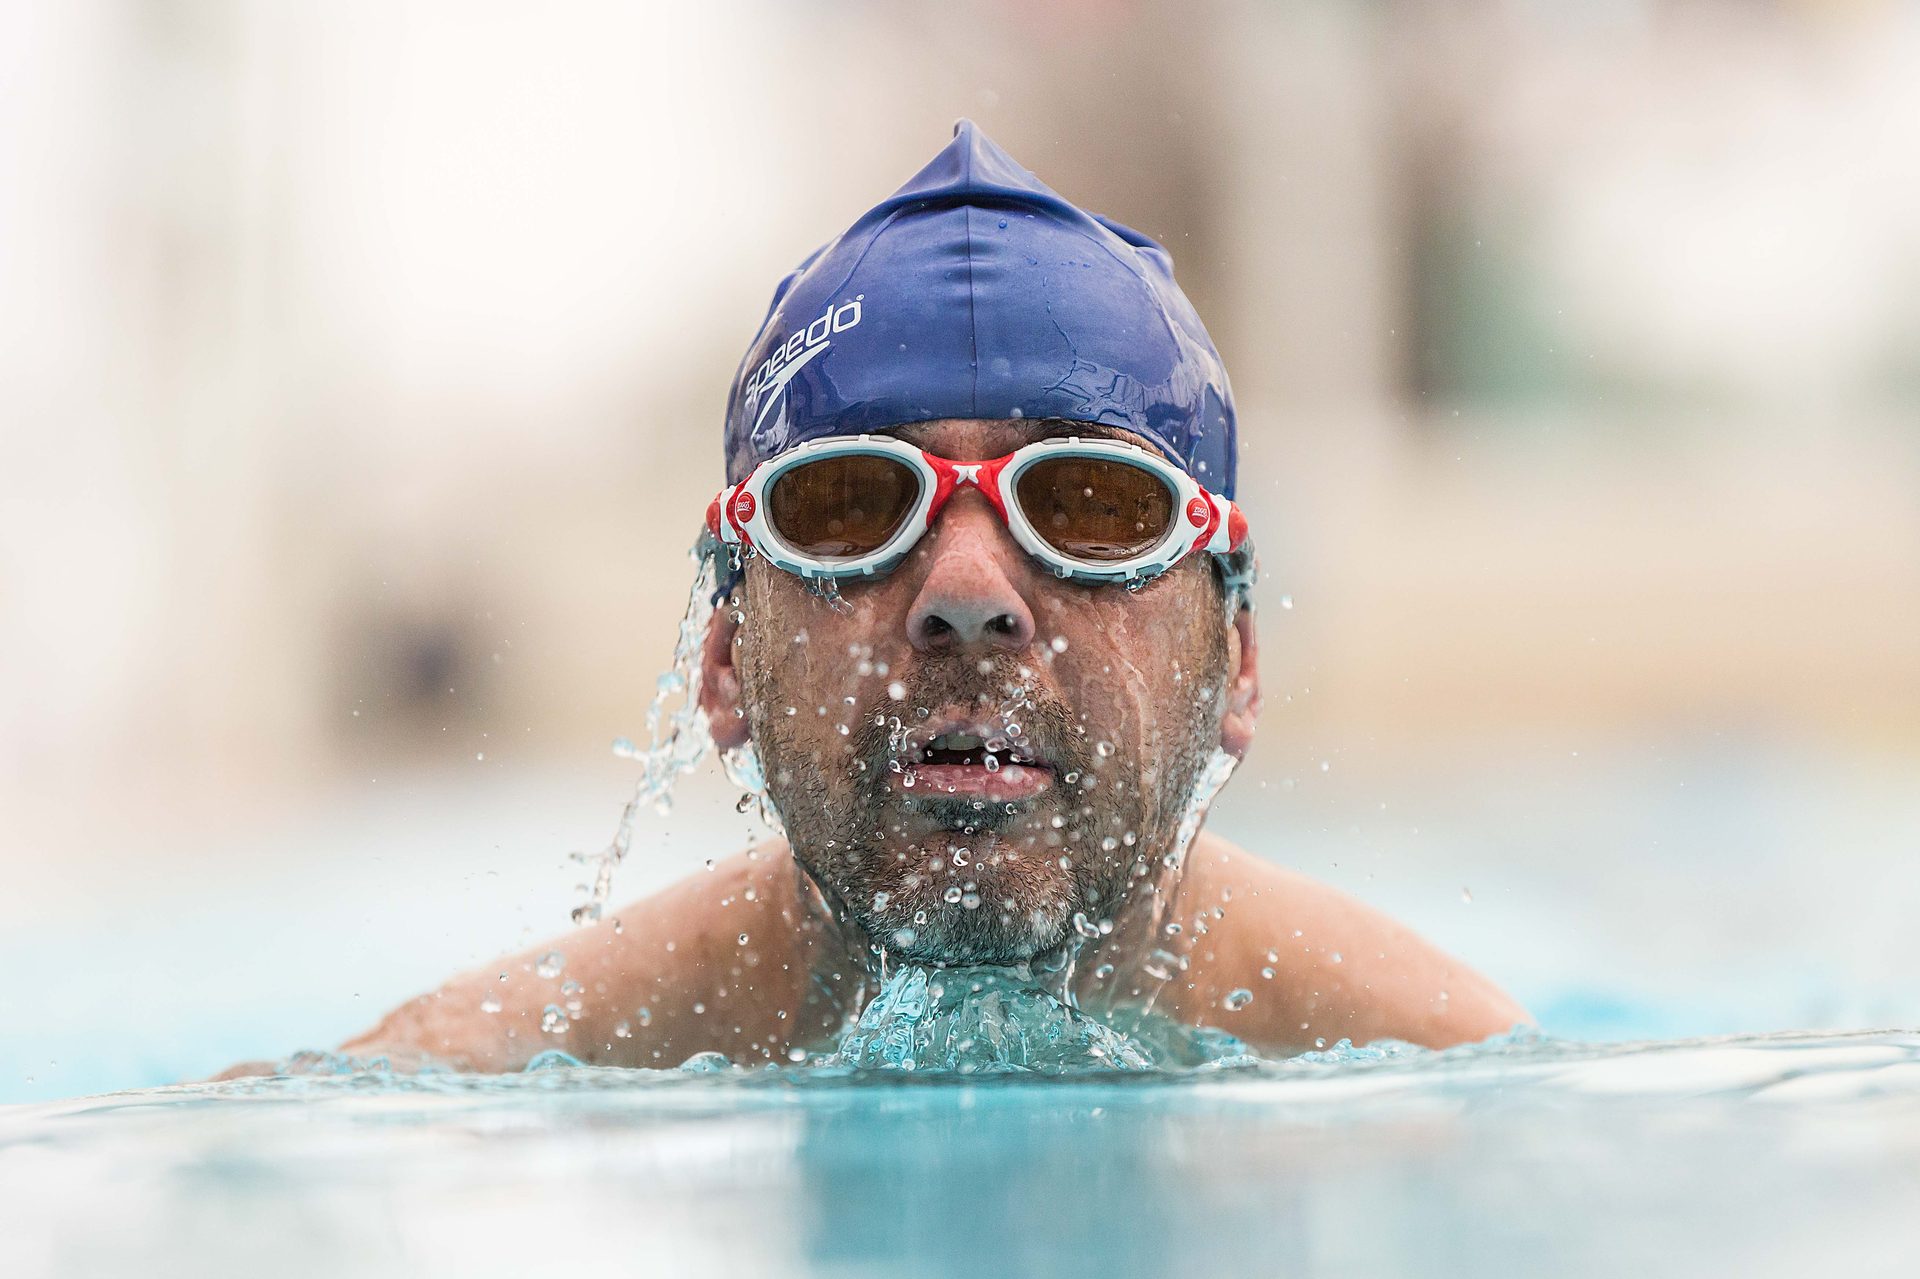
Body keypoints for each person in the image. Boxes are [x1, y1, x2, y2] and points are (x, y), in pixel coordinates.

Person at [232, 122, 1526, 1077]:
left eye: (1086, 504)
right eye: (852, 507)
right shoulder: (485, 1075)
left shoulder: (1442, 1077)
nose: (968, 593)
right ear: (726, 657)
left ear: (1238, 661)